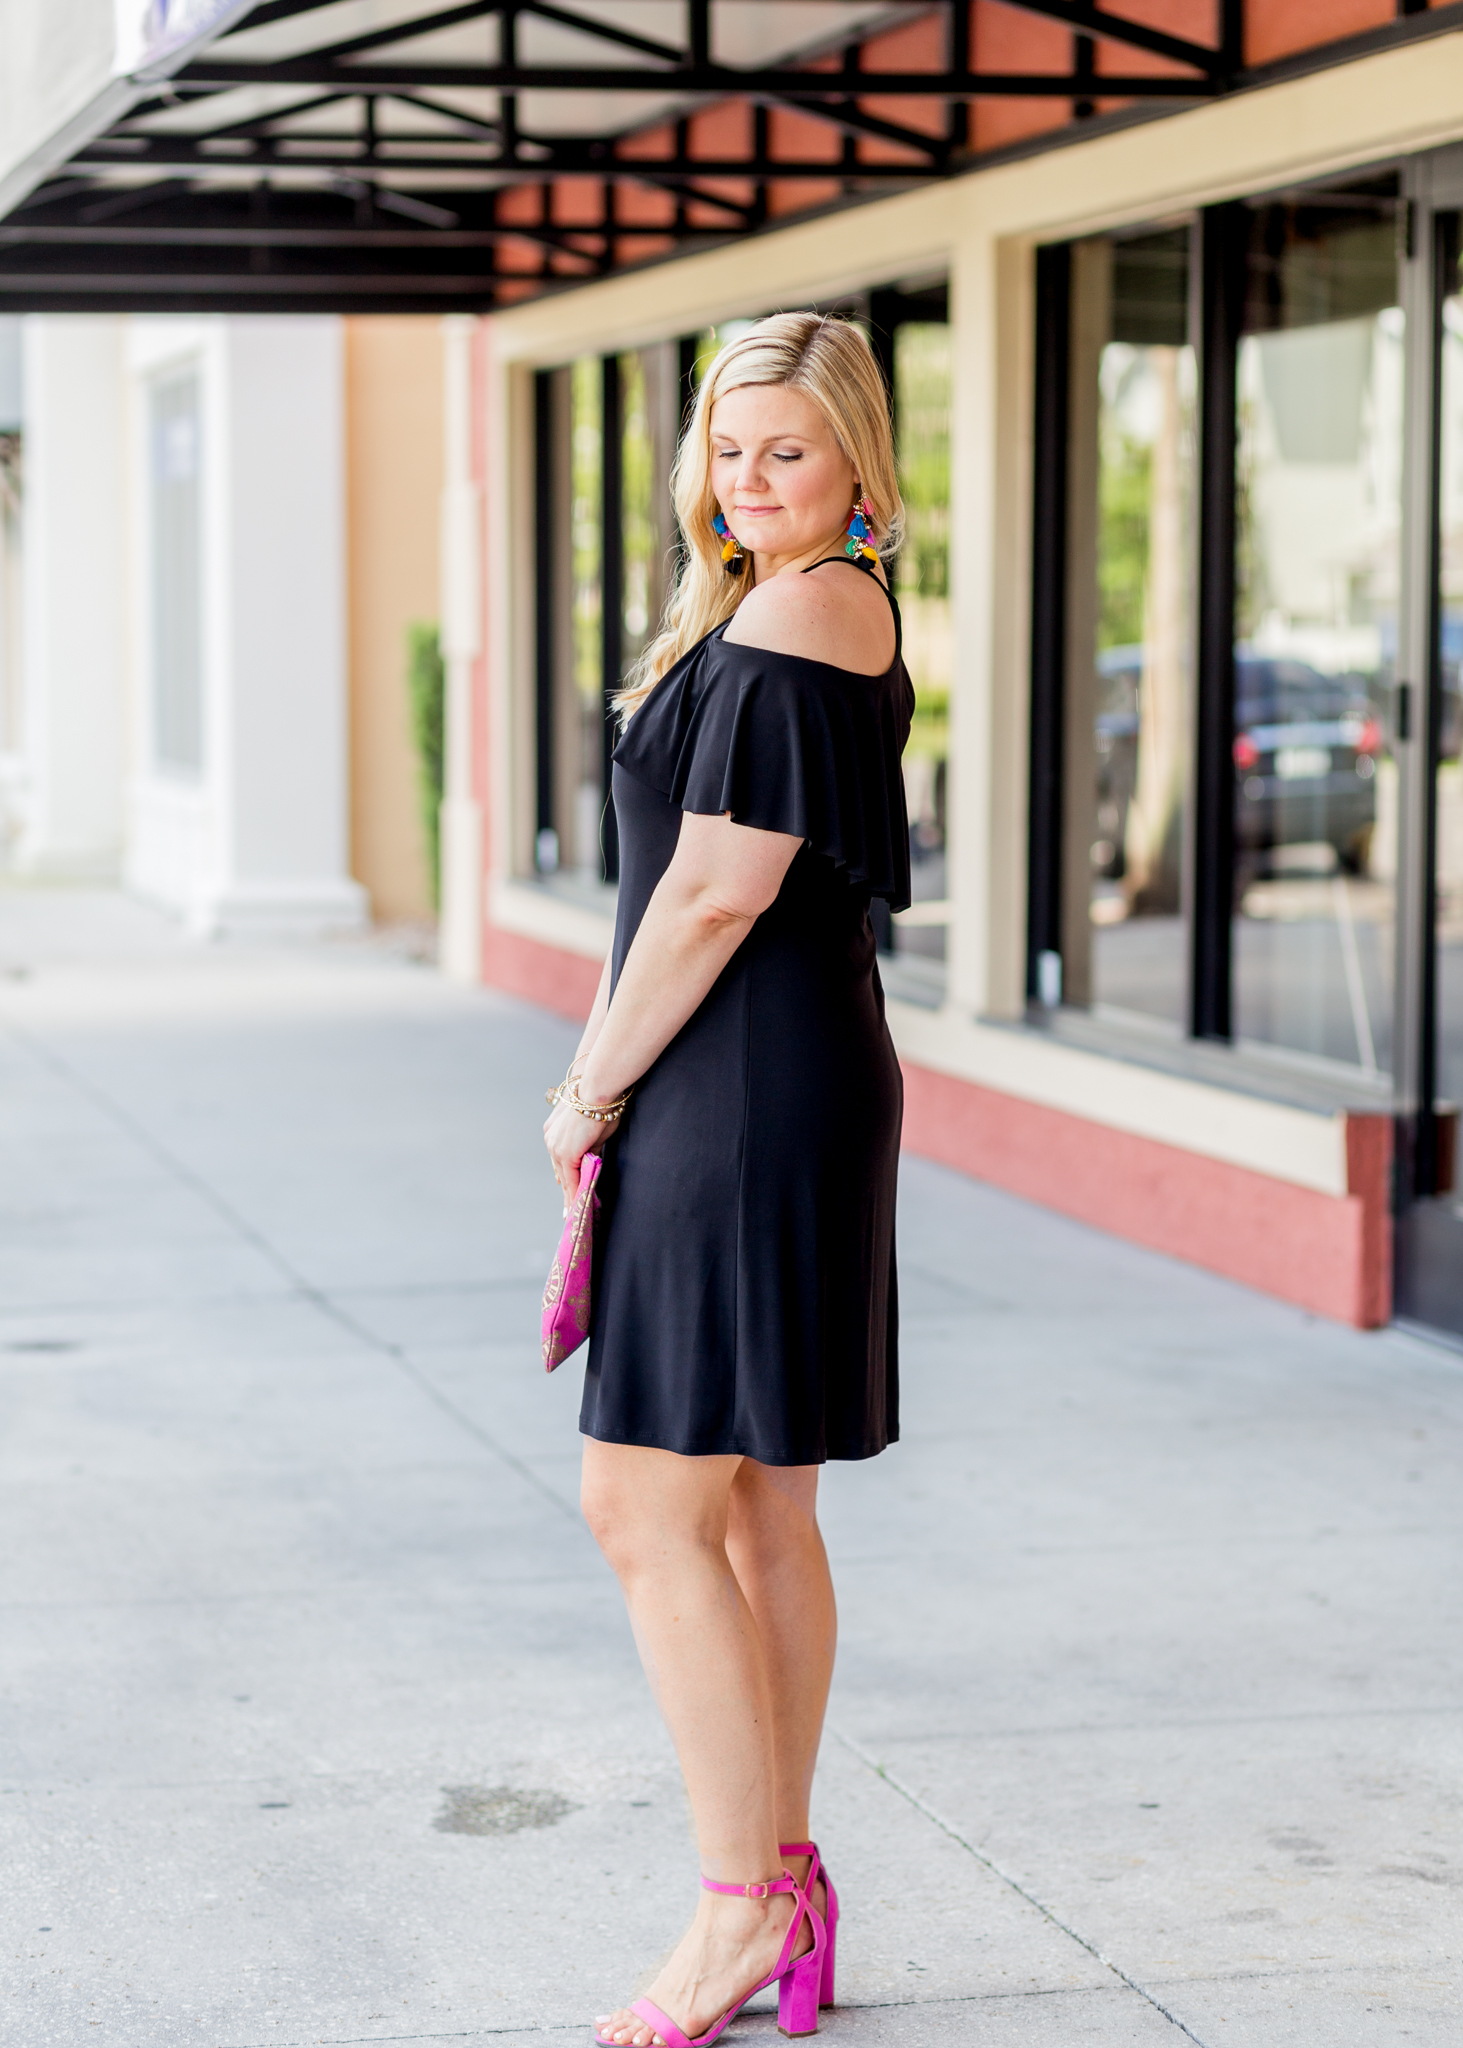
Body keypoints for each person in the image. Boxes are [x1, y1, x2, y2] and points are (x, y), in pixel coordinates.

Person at [543, 311, 914, 2048]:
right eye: (728, 447)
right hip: (765, 1081)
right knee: (757, 1508)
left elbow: (711, 896)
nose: (751, 479)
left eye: (788, 449)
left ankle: (740, 1909)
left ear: (857, 461)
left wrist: (586, 1085)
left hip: (741, 1095)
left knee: (649, 1507)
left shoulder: (796, 613)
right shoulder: (773, 602)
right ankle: (784, 1878)